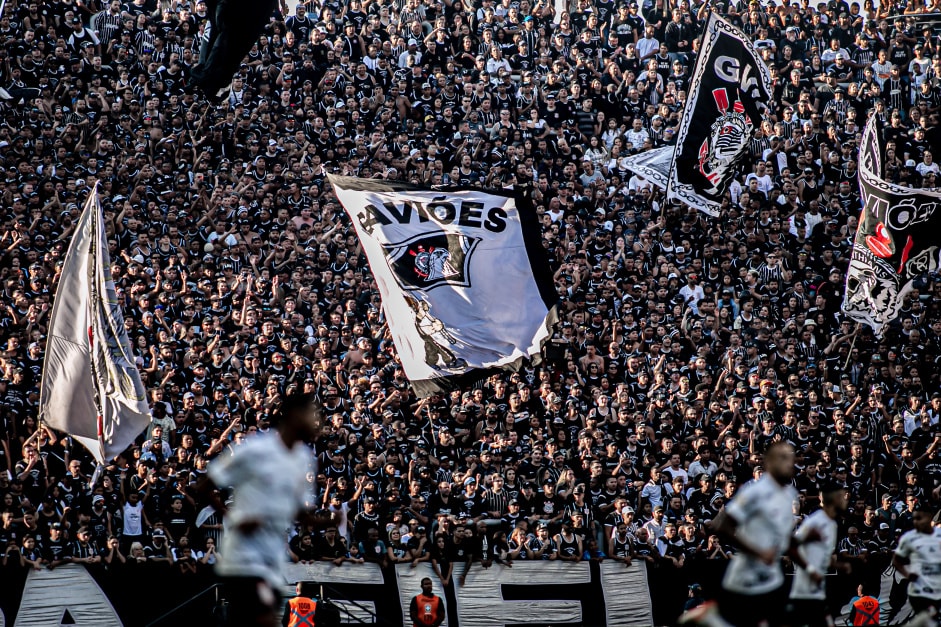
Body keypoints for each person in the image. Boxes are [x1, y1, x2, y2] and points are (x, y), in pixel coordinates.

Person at [200, 392, 329, 627]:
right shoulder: (256, 449)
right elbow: (205, 485)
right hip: (243, 557)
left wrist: (326, 522)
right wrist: (235, 519)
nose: (316, 421)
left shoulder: (304, 458)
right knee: (264, 618)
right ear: (292, 416)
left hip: (273, 558)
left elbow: (299, 512)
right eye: (311, 415)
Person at [680, 442, 802, 627]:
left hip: (770, 574)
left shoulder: (789, 494)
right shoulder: (754, 492)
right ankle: (709, 612)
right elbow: (722, 526)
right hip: (747, 573)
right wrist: (757, 551)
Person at [787, 483, 849, 627]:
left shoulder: (832, 525)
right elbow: (791, 547)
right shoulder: (814, 522)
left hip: (817, 591)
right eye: (842, 496)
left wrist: (838, 565)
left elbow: (821, 557)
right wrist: (811, 571)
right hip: (803, 593)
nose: (845, 499)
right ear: (834, 500)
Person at [892, 502, 941, 627]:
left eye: (919, 518)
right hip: (918, 592)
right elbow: (896, 561)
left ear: (930, 518)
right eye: (914, 519)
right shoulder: (909, 538)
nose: (915, 522)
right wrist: (907, 574)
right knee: (927, 618)